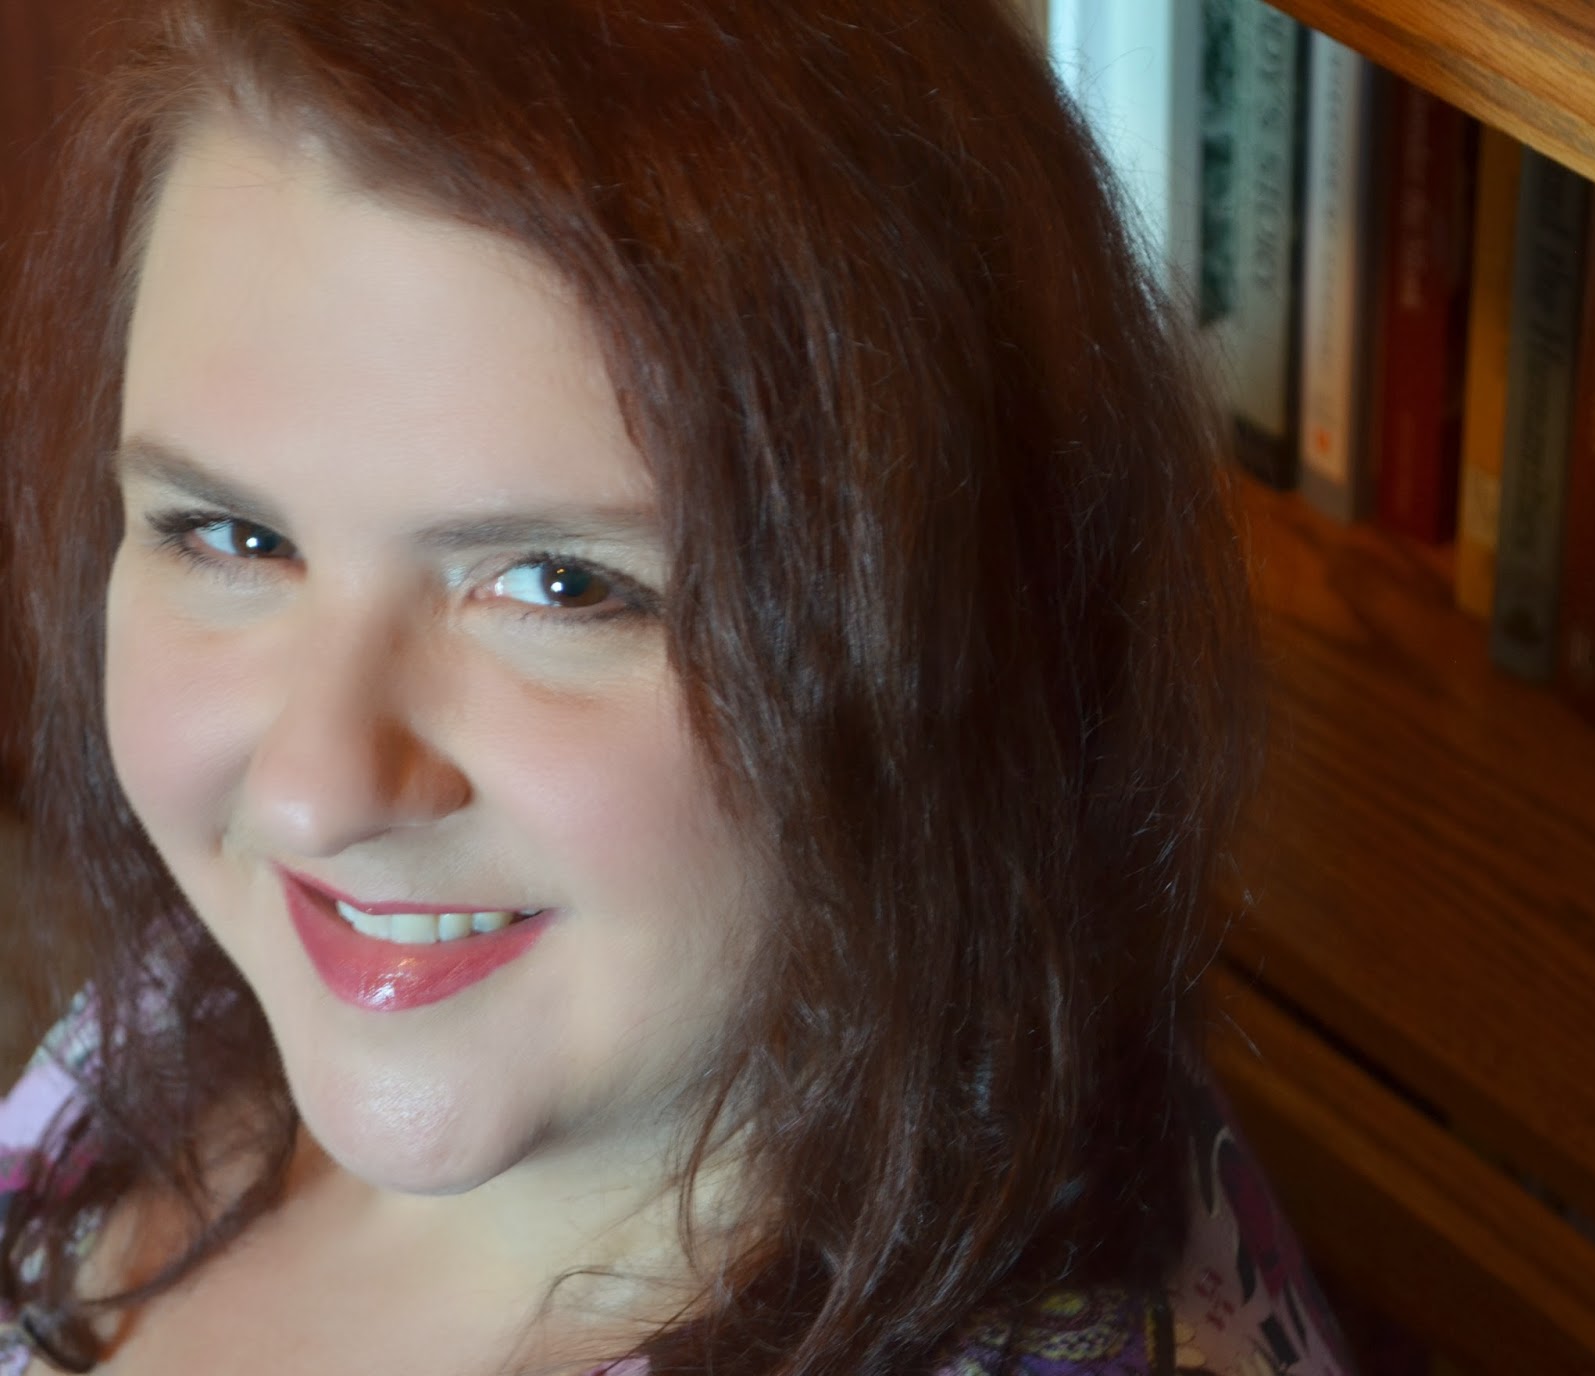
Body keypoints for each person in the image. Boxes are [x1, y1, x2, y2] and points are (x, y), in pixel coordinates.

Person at [0, 1, 1352, 1372]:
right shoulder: (232, 984)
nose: (312, 794)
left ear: (960, 632)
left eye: (561, 585)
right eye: (230, 538)